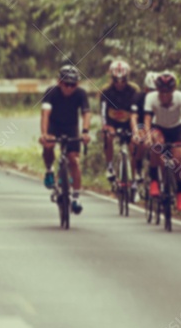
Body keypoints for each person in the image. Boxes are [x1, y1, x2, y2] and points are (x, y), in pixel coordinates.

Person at [40, 65, 92, 214]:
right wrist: (44, 134)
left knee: (74, 160)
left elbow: (86, 113)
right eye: (66, 84)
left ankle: (75, 198)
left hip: (71, 128)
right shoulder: (51, 92)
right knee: (49, 145)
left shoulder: (81, 94)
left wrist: (85, 132)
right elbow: (45, 114)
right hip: (54, 126)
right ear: (59, 82)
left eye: (73, 85)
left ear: (78, 84)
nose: (69, 88)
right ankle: (49, 170)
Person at [142, 72, 181, 211]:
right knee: (156, 146)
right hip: (158, 127)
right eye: (161, 92)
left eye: (168, 92)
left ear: (173, 90)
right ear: (157, 90)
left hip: (176, 129)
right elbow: (147, 119)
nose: (164, 96)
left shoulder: (180, 97)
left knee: (177, 162)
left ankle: (180, 193)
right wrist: (147, 136)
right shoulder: (151, 97)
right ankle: (154, 181)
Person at [100, 59, 139, 186]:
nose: (119, 84)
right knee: (108, 136)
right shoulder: (106, 91)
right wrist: (106, 126)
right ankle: (110, 166)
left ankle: (134, 176)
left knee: (134, 145)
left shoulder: (134, 90)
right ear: (112, 78)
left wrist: (136, 131)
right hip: (112, 123)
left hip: (129, 122)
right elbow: (103, 111)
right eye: (116, 80)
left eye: (123, 81)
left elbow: (137, 111)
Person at [131, 70, 157, 189]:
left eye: (156, 91)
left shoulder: (162, 98)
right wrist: (136, 132)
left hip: (157, 125)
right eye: (151, 90)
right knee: (141, 141)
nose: (154, 93)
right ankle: (139, 166)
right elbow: (134, 116)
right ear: (145, 89)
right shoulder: (138, 97)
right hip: (142, 125)